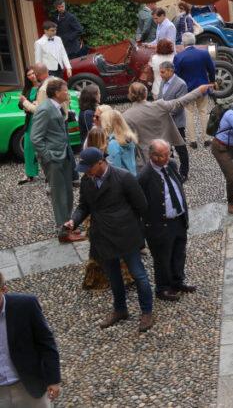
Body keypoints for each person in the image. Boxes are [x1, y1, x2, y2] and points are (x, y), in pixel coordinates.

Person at [67, 147, 154, 332]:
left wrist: (130, 225)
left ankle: (147, 312)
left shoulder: (123, 177)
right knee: (113, 276)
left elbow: (142, 205)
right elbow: (84, 206)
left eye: (88, 168)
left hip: (125, 235)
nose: (86, 172)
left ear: (100, 162)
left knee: (139, 274)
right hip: (102, 236)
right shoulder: (87, 181)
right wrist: (73, 221)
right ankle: (120, 309)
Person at [138, 140, 194, 303]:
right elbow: (138, 203)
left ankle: (178, 281)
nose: (167, 158)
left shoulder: (171, 165)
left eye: (169, 153)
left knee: (179, 252)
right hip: (159, 225)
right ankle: (162, 288)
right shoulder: (144, 176)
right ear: (153, 156)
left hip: (178, 219)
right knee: (162, 257)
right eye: (163, 155)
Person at [29, 79, 83, 244]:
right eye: (65, 90)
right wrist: (49, 156)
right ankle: (63, 233)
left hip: (64, 156)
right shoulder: (45, 109)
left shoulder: (56, 107)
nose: (68, 93)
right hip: (55, 160)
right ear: (56, 93)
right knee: (60, 196)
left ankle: (68, 226)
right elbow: (35, 138)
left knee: (67, 194)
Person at [0, 271, 62, 407]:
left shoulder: (26, 306)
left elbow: (46, 343)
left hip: (29, 388)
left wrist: (53, 380)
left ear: (3, 289)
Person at [123, 80, 208, 161]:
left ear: (130, 96)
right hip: (164, 153)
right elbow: (180, 102)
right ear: (145, 93)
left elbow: (126, 141)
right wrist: (198, 91)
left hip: (144, 158)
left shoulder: (126, 116)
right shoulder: (159, 105)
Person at [173, 32, 216, 149]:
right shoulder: (204, 53)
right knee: (203, 112)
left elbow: (175, 76)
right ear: (194, 41)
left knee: (189, 114)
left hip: (187, 90)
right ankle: (206, 138)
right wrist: (212, 81)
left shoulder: (178, 57)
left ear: (183, 43)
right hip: (203, 87)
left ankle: (192, 140)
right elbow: (212, 69)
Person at [18, 68, 44, 185]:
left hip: (41, 120)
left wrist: (32, 104)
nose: (32, 76)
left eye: (33, 73)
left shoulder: (43, 86)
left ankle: (50, 174)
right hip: (30, 120)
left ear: (37, 73)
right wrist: (25, 104)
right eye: (29, 75)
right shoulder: (27, 88)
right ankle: (30, 173)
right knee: (28, 147)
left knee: (44, 147)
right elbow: (20, 104)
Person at [97, 106, 138, 176]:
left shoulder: (113, 144)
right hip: (132, 177)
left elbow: (115, 171)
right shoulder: (128, 138)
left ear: (107, 124)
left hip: (121, 182)